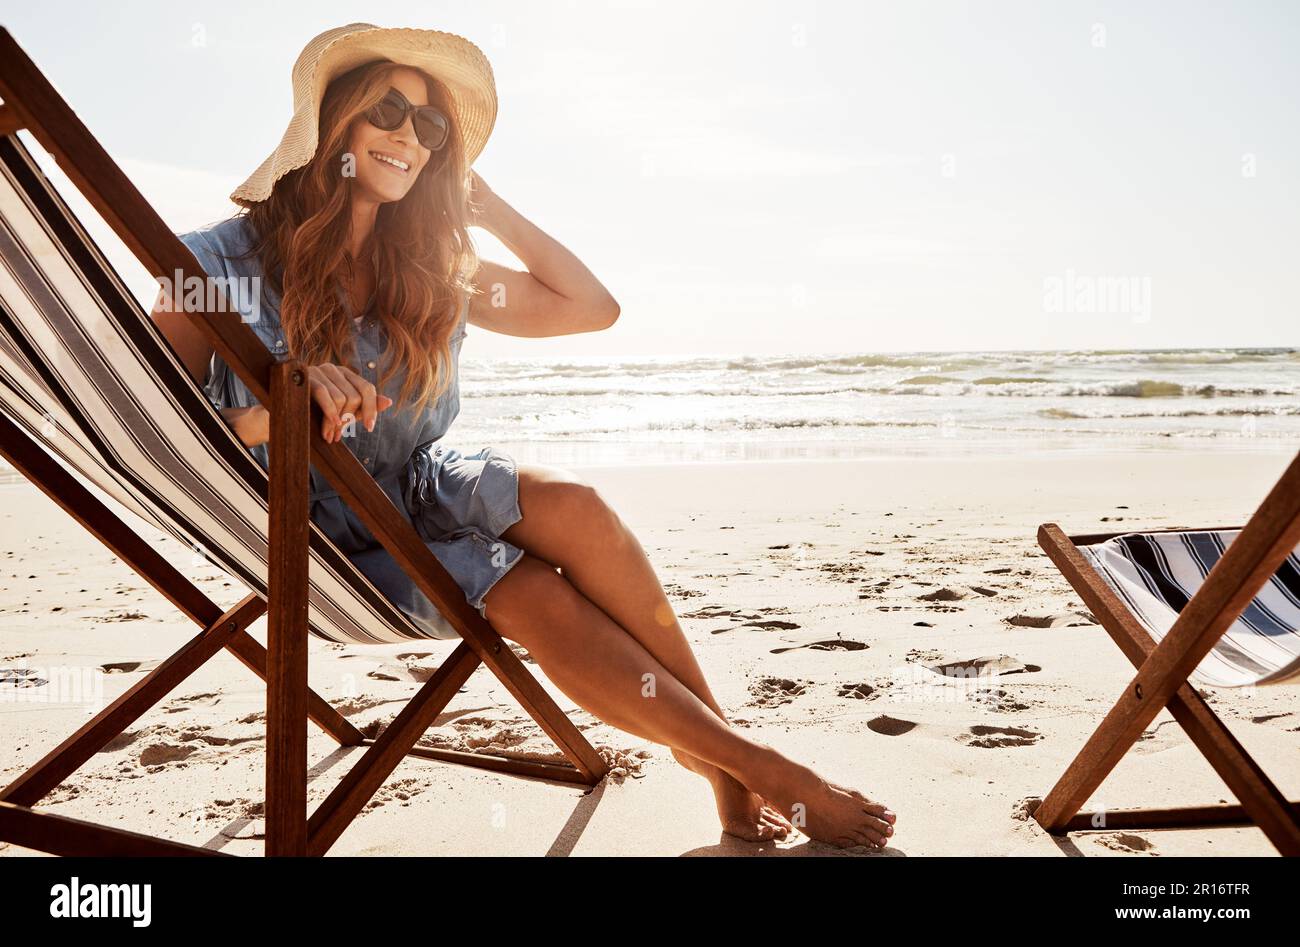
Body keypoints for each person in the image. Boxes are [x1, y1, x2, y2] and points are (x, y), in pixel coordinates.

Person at [153, 23, 895, 849]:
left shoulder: (426, 264)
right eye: (388, 111)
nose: (408, 134)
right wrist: (281, 403)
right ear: (333, 128)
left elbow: (591, 308)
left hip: (416, 485)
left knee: (576, 505)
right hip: (315, 532)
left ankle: (721, 760)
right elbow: (166, 435)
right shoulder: (214, 264)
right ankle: (759, 764)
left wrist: (489, 206)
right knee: (529, 589)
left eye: (429, 127)